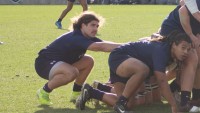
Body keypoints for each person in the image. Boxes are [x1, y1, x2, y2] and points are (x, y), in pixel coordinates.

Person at [76, 31, 192, 113]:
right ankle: (120, 103)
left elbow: (159, 80)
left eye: (188, 49)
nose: (186, 52)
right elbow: (161, 80)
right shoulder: (162, 50)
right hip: (120, 57)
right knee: (143, 70)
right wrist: (174, 106)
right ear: (173, 45)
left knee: (130, 104)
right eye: (183, 47)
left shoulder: (170, 56)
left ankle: (92, 92)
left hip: (128, 65)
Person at [35, 11, 122, 105]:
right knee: (72, 72)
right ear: (82, 25)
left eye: (97, 26)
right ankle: (43, 91)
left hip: (59, 63)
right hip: (44, 63)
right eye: (92, 25)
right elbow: (100, 47)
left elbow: (104, 44)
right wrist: (129, 46)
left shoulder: (86, 36)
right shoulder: (76, 36)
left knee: (88, 61)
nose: (95, 28)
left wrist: (127, 47)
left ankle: (76, 93)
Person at [158, 0, 200, 111]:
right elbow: (183, 10)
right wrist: (191, 35)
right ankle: (184, 102)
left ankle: (194, 97)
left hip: (187, 30)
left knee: (197, 59)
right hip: (173, 29)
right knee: (192, 58)